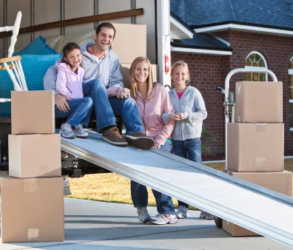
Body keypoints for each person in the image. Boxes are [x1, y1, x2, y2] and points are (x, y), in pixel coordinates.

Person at [43, 22, 154, 149]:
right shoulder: (79, 54)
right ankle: (108, 128)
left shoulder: (112, 57)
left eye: (110, 37)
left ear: (112, 40)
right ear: (95, 36)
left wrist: (119, 89)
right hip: (82, 99)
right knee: (97, 83)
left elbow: (116, 81)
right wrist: (56, 94)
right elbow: (52, 71)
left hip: (102, 102)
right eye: (103, 35)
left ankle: (135, 132)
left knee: (128, 102)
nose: (106, 39)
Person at [162, 60, 214, 220]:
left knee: (197, 174)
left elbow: (203, 113)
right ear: (171, 76)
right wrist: (168, 116)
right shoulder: (168, 94)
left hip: (193, 140)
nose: (179, 76)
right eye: (176, 73)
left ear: (187, 76)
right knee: (180, 176)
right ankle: (182, 208)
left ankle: (205, 209)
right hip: (176, 141)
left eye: (183, 74)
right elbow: (162, 115)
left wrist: (187, 116)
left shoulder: (194, 92)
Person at [128, 57, 177, 225]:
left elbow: (170, 119)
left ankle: (168, 212)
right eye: (138, 69)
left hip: (160, 140)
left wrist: (160, 140)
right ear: (133, 71)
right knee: (135, 172)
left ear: (149, 73)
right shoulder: (130, 93)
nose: (142, 73)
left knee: (156, 172)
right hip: (139, 141)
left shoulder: (160, 91)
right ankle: (141, 207)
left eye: (145, 70)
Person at [55, 42, 92, 139]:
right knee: (88, 100)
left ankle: (77, 126)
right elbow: (60, 87)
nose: (76, 59)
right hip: (64, 105)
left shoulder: (80, 70)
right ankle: (67, 126)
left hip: (74, 104)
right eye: (72, 57)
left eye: (78, 55)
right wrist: (71, 97)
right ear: (66, 59)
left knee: (91, 99)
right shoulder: (63, 68)